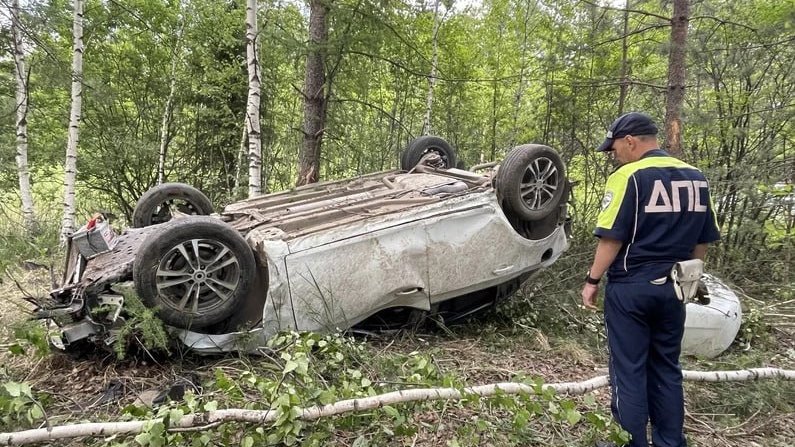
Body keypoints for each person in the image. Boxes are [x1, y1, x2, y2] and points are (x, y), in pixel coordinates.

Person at [581, 112, 721, 447]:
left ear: (630, 141)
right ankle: (670, 442)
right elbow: (702, 239)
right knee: (666, 369)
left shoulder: (627, 176)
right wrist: (690, 277)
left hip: (632, 287)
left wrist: (592, 280)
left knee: (629, 369)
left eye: (614, 147)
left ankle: (629, 442)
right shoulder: (696, 177)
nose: (614, 155)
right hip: (675, 286)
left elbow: (611, 239)